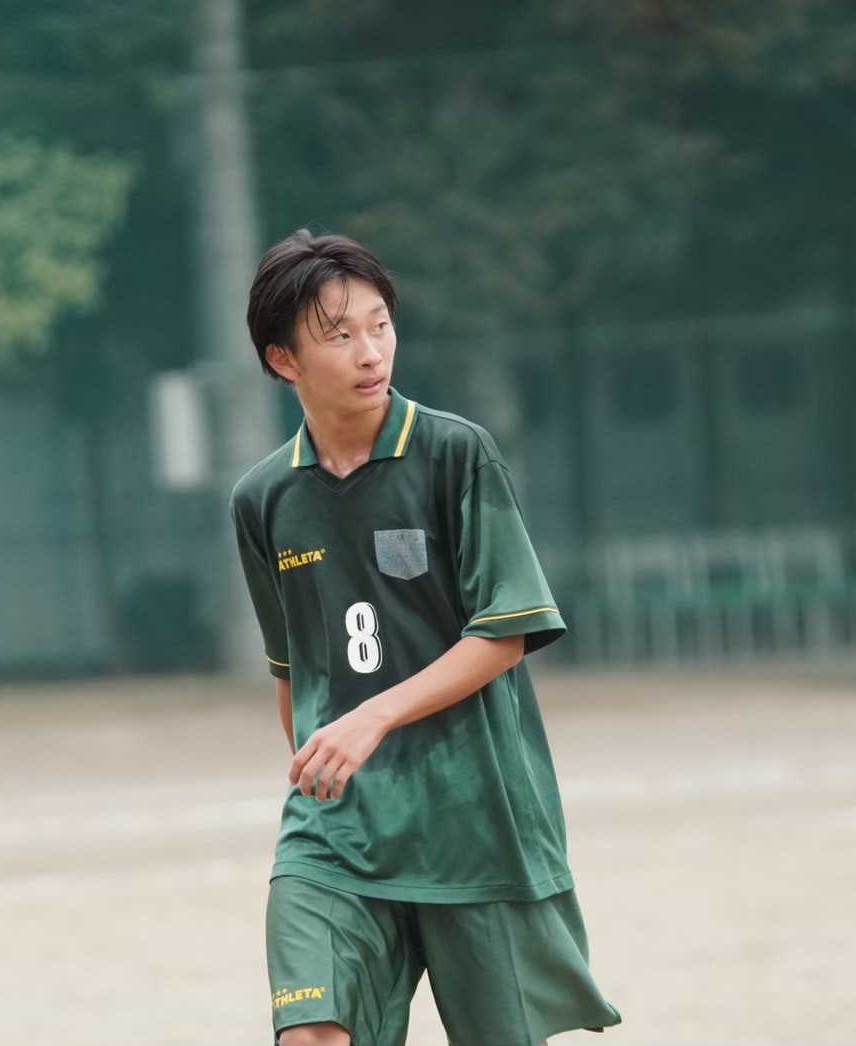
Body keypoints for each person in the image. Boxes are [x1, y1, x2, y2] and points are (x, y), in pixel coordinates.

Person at [230, 230, 622, 1046]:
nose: (369, 352)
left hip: (472, 819)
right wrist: (326, 767)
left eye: (379, 325)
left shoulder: (454, 454)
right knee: (310, 1033)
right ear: (282, 360)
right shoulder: (262, 499)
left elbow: (502, 635)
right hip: (336, 833)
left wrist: (371, 718)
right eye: (339, 335)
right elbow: (290, 667)